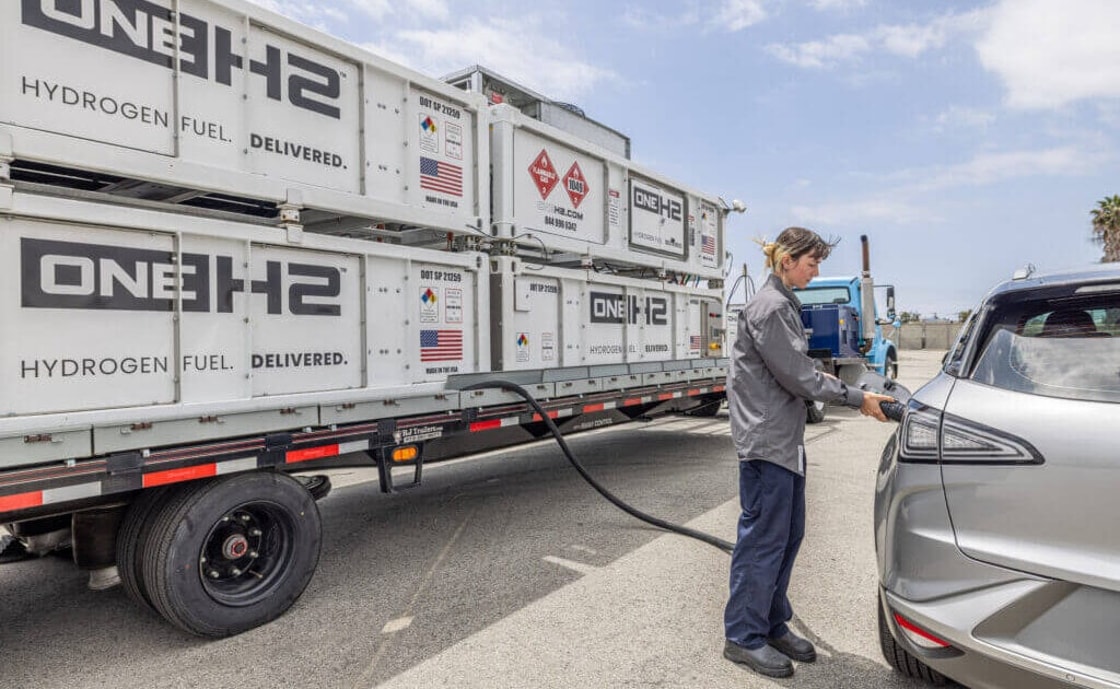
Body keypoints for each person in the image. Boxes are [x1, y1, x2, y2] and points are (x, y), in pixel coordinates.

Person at [723, 226, 894, 678]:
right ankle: (743, 635)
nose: (816, 271)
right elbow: (799, 375)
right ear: (787, 262)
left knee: (788, 534)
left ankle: (772, 621)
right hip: (766, 442)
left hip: (783, 440)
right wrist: (859, 398)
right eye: (811, 263)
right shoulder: (771, 307)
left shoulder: (784, 303)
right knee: (763, 540)